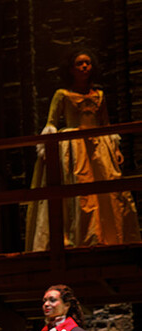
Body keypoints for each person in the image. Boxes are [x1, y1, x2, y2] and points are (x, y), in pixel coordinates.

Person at [25, 51, 141, 250]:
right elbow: (51, 123)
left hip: (99, 147)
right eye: (80, 64)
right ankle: (81, 238)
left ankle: (109, 236)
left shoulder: (99, 95)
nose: (85, 67)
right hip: (74, 147)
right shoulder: (62, 95)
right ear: (71, 69)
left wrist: (114, 148)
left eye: (87, 63)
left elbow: (105, 124)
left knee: (107, 189)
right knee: (79, 189)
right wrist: (48, 152)